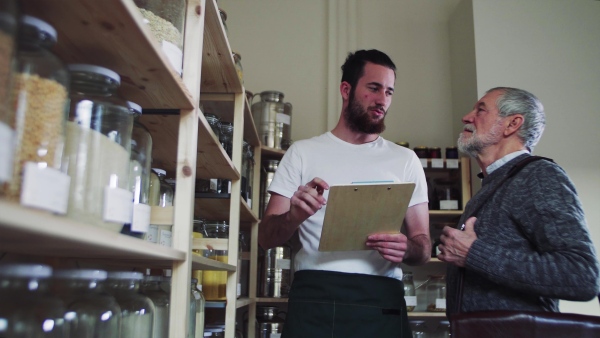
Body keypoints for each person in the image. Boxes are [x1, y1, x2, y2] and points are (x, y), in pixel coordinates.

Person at [258, 49, 431, 338]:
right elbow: (266, 237)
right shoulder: (302, 153)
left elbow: (423, 247)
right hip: (316, 295)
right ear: (346, 89)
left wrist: (408, 248)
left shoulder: (406, 160)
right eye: (374, 88)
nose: (382, 100)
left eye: (389, 92)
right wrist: (294, 216)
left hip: (382, 296)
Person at [438, 87, 600, 317]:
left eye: (481, 110)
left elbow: (581, 275)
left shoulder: (539, 176)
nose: (467, 117)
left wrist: (474, 254)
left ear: (512, 124)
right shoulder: (494, 182)